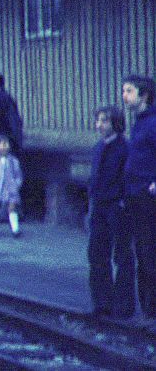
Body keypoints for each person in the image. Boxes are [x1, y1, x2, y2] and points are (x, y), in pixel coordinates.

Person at [87, 105, 135, 319]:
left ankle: (123, 305)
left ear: (115, 123)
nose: (99, 125)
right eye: (97, 121)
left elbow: (127, 176)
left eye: (104, 121)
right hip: (99, 204)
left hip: (116, 205)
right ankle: (102, 302)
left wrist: (122, 200)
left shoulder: (124, 147)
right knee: (97, 252)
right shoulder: (99, 147)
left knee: (122, 254)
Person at [121, 74, 156, 323]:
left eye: (129, 91)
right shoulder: (139, 122)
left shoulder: (152, 123)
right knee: (142, 250)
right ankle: (147, 308)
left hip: (147, 193)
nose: (124, 96)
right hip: (134, 192)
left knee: (149, 249)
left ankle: (151, 308)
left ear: (144, 95)